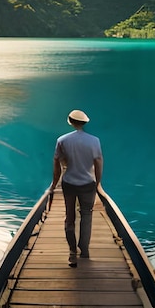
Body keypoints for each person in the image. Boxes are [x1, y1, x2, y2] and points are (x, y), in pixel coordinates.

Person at [51, 109, 103, 267]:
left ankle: (72, 252)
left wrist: (54, 184)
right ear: (84, 122)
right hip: (88, 184)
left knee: (70, 217)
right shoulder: (94, 141)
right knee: (87, 216)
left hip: (69, 183)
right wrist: (98, 183)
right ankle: (84, 250)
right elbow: (98, 162)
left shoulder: (62, 140)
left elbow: (57, 164)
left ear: (71, 121)